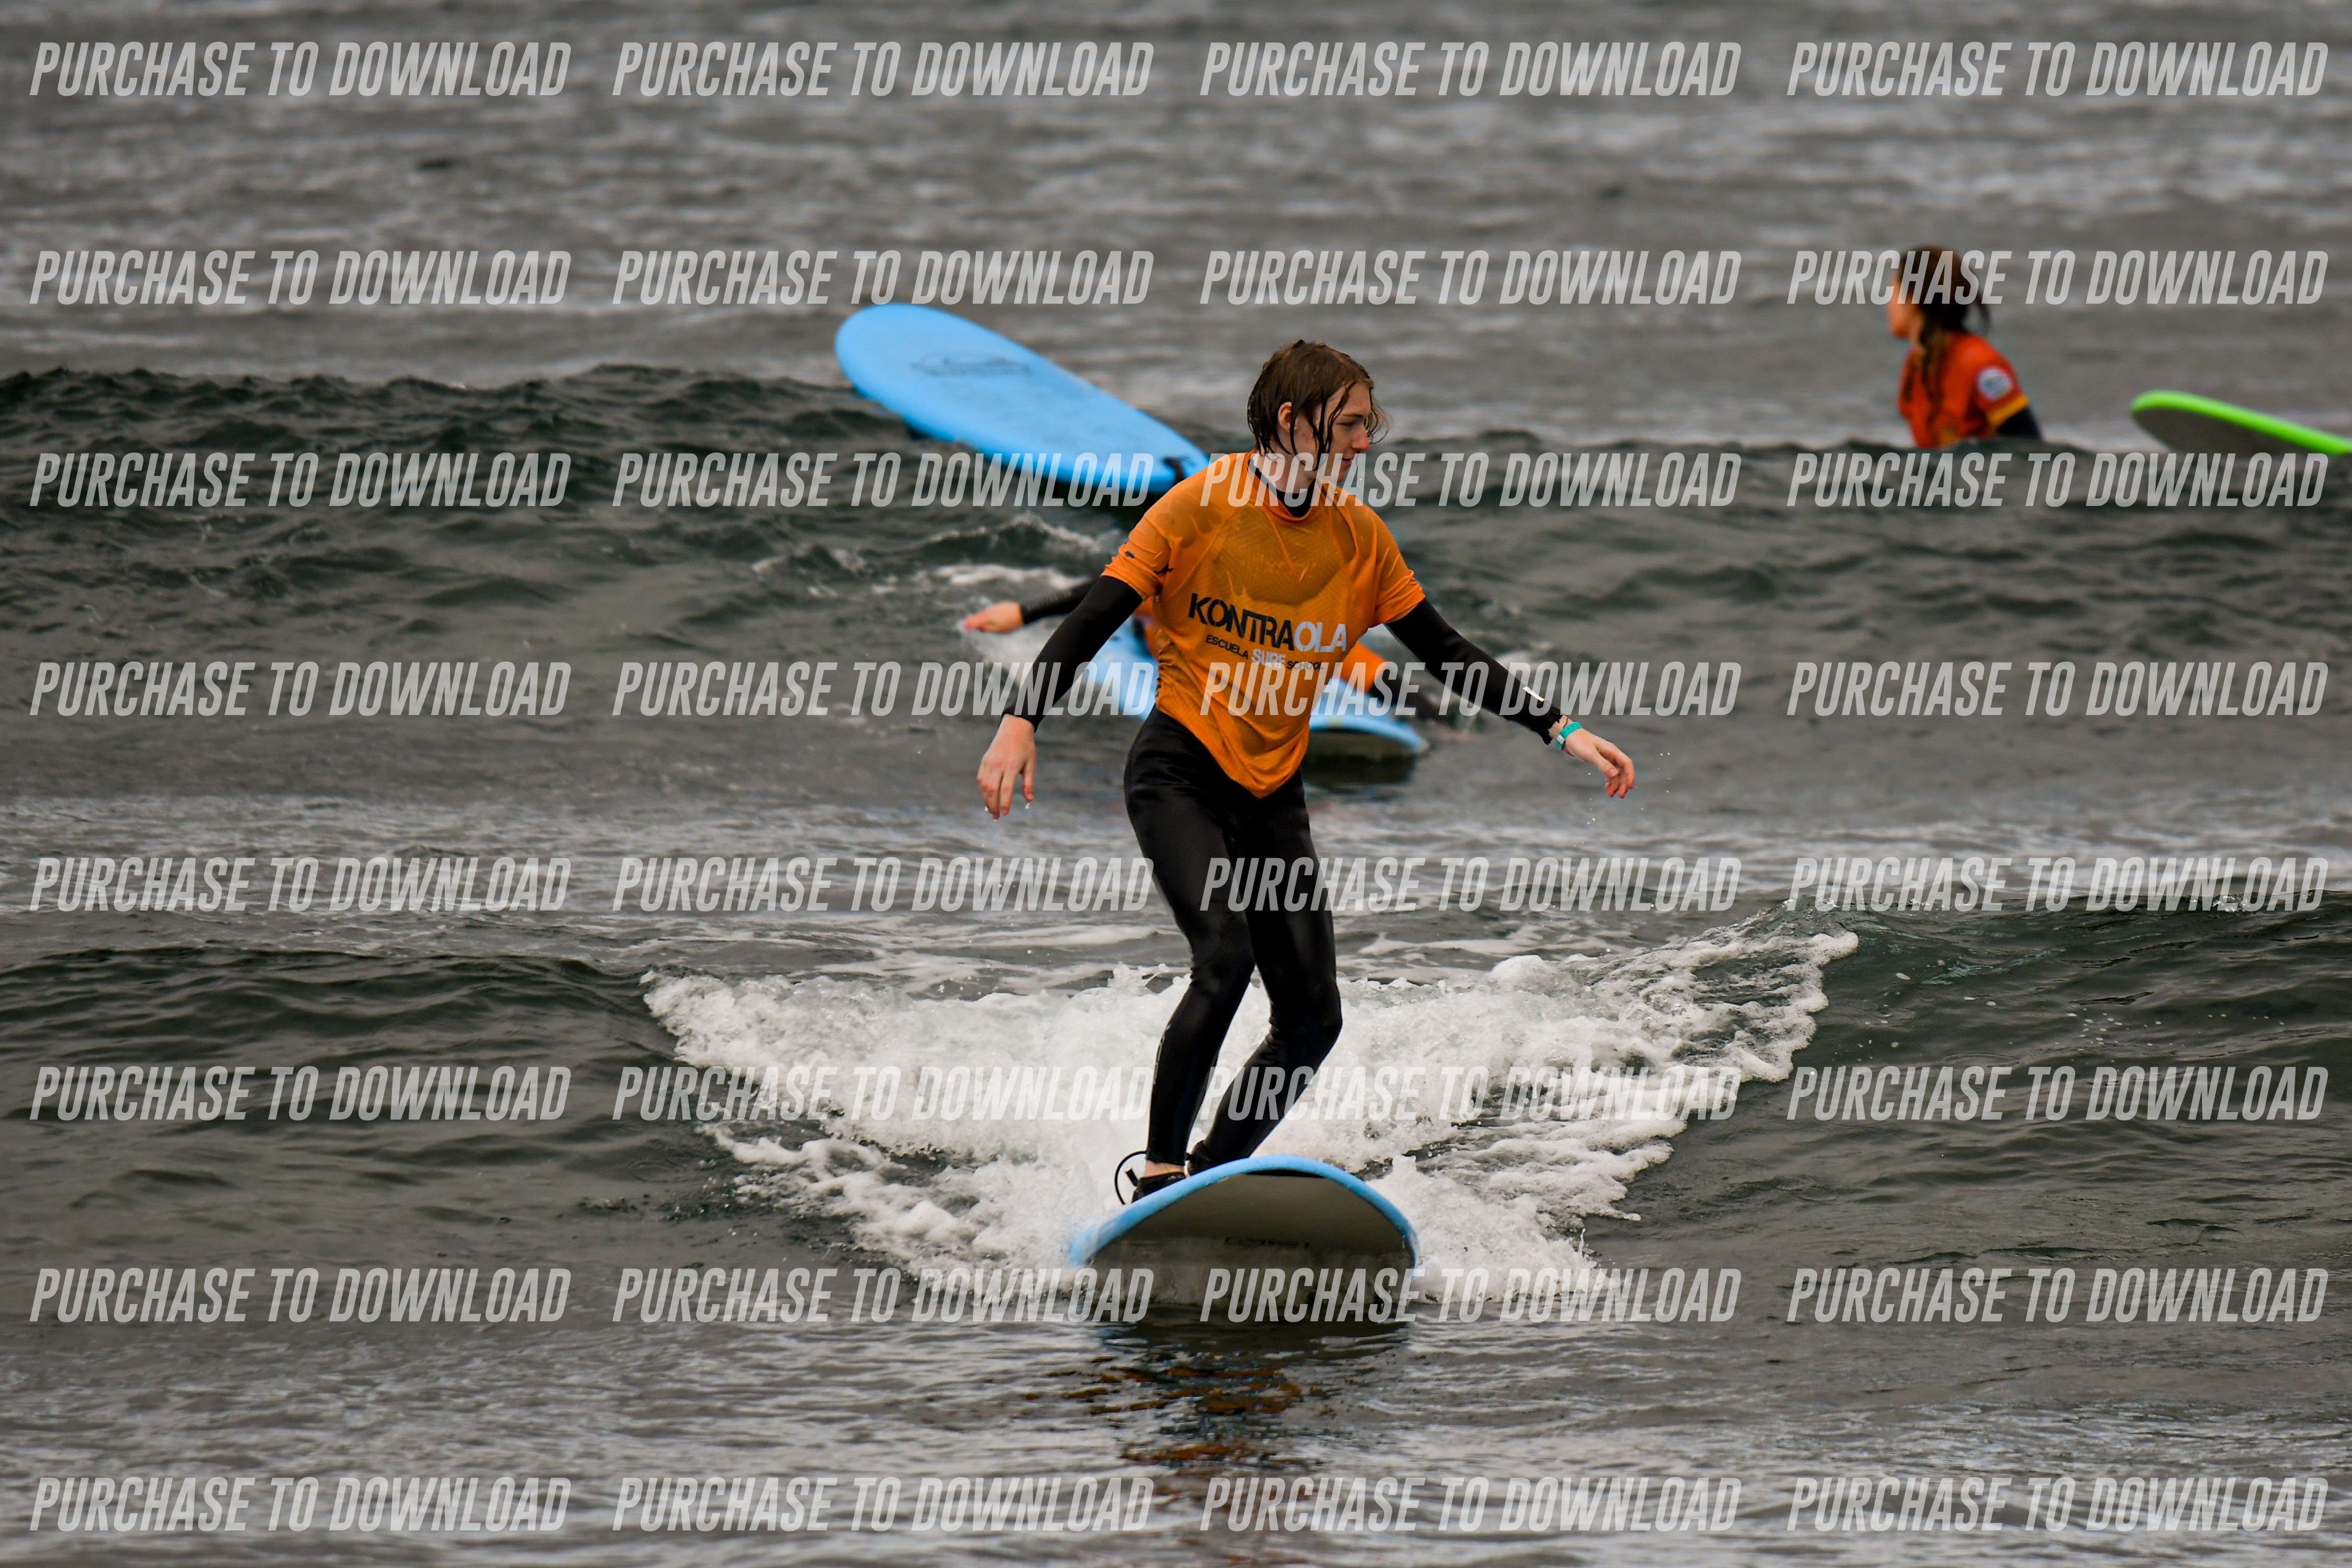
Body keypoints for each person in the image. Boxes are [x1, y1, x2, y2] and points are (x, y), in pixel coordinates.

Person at [974, 341, 1634, 1203]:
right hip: (1180, 771)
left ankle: (1206, 1177)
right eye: (1350, 423)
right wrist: (1020, 722)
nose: (1364, 441)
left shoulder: (1360, 538)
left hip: (1272, 794)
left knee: (1314, 1019)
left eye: (1367, 425)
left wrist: (1559, 727)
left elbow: (1443, 649)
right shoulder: (1200, 507)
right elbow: (1096, 614)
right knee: (1224, 956)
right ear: (1292, 419)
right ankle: (1159, 1172)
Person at [1888, 245, 2042, 446]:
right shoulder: (1917, 364)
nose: (1889, 305)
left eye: (1893, 293)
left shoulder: (1980, 364)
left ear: (1914, 300)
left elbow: (2029, 448)